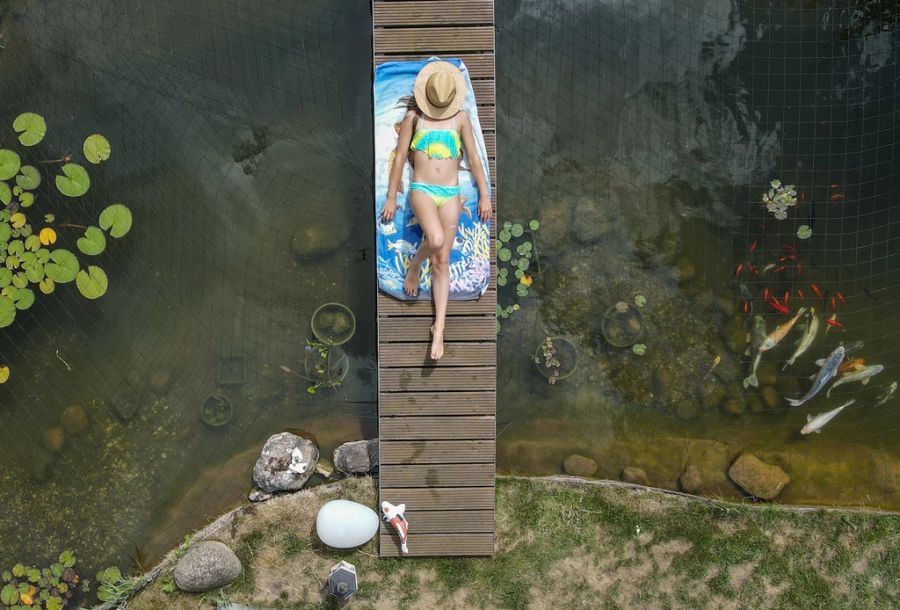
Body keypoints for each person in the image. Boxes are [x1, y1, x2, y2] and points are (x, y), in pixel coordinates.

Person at [381, 61, 492, 360]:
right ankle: (415, 266)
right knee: (437, 239)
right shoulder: (413, 118)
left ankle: (439, 327)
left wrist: (484, 195)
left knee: (442, 261)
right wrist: (392, 197)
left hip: (452, 193)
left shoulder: (461, 119)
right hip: (424, 192)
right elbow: (400, 158)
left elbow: (475, 159)